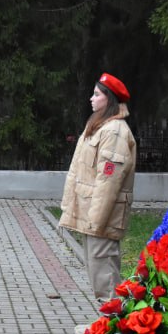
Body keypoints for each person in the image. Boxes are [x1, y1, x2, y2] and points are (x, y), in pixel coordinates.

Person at [59, 72, 137, 304]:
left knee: (104, 271)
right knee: (98, 269)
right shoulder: (101, 126)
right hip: (92, 214)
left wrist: (96, 220)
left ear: (109, 99)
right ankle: (108, 326)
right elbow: (78, 171)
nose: (91, 99)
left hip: (102, 217)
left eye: (96, 94)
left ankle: (114, 330)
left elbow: (108, 181)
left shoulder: (114, 131)